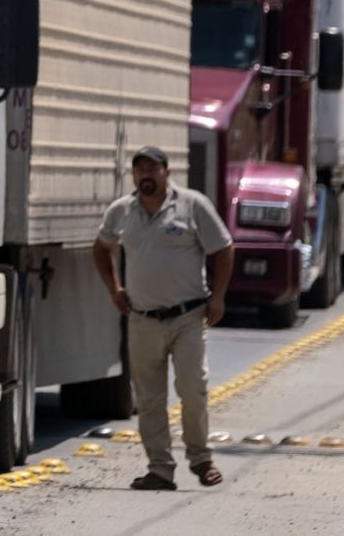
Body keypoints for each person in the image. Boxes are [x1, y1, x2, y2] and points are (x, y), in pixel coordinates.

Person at [93, 145, 235, 491]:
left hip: (188, 316)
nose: (145, 175)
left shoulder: (192, 205)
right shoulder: (122, 212)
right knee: (149, 398)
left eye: (152, 169)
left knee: (192, 389)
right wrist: (115, 289)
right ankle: (160, 468)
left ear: (166, 173)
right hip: (142, 318)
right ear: (133, 176)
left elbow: (224, 248)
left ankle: (201, 460)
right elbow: (101, 248)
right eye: (139, 169)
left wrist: (217, 296)